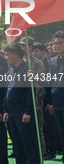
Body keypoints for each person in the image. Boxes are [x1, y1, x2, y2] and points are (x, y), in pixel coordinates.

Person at [3, 43, 40, 164]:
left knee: (29, 147)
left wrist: (28, 112)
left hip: (23, 114)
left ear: (15, 55)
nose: (6, 57)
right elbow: (8, 90)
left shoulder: (27, 70)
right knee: (18, 148)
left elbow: (30, 92)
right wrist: (6, 110)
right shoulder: (10, 70)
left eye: (7, 55)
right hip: (12, 114)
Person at [46, 30, 64, 164]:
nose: (57, 46)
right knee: (61, 132)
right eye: (55, 43)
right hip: (57, 103)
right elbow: (49, 82)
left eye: (60, 43)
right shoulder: (52, 61)